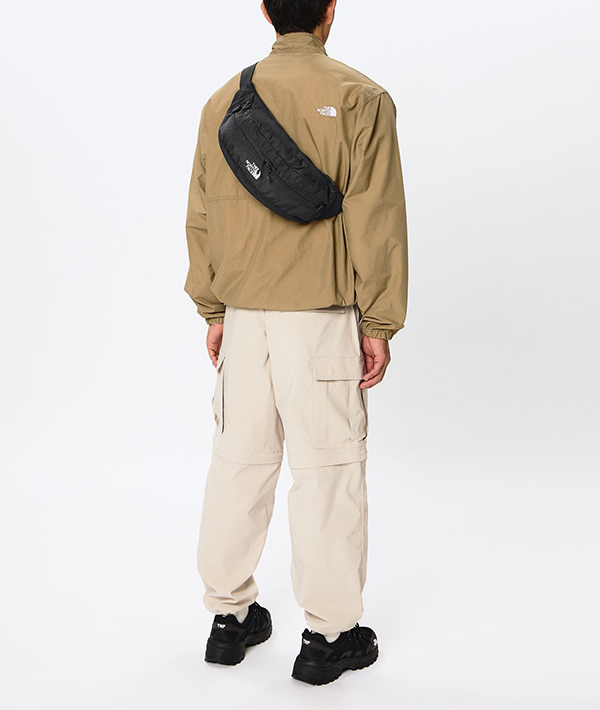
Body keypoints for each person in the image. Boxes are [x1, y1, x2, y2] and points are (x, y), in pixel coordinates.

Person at [184, 0, 408, 686]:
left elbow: (201, 216)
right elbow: (376, 220)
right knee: (327, 473)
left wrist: (215, 309)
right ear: (330, 9)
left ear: (264, 9)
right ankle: (329, 637)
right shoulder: (361, 99)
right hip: (320, 318)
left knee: (239, 464)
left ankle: (229, 618)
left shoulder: (225, 100)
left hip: (243, 319)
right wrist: (378, 322)